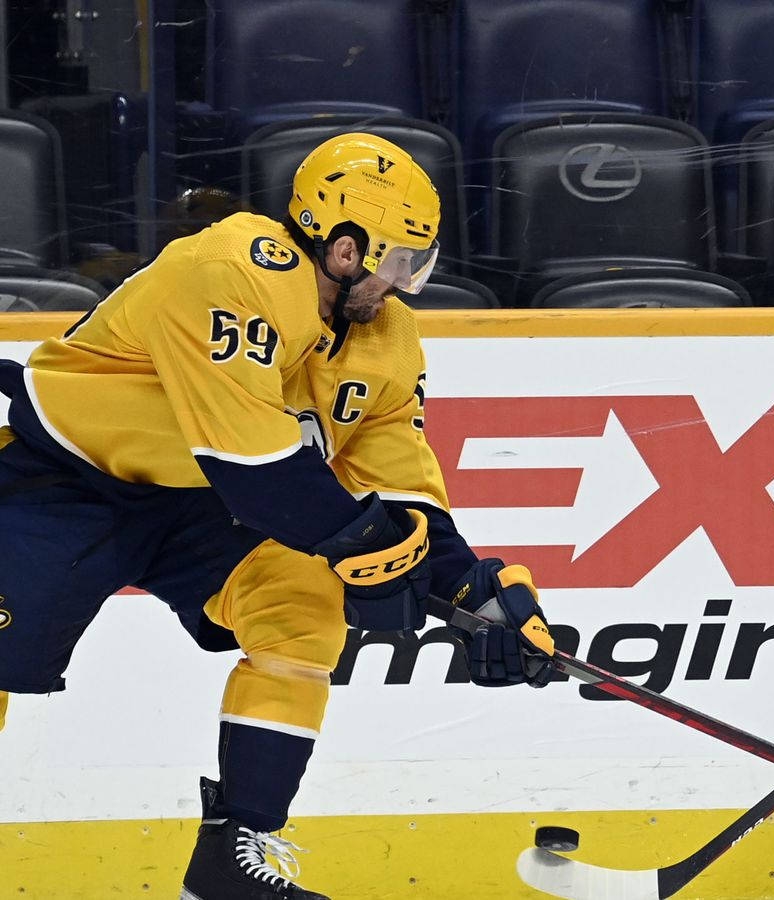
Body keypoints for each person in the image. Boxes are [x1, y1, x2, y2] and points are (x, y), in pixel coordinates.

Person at [0, 133, 557, 899]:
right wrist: (371, 549)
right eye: (397, 261)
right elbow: (255, 468)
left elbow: (400, 486)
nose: (403, 285)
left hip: (197, 503)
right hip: (59, 473)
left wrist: (476, 592)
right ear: (343, 247)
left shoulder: (387, 339)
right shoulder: (232, 269)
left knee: (302, 607)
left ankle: (232, 859)